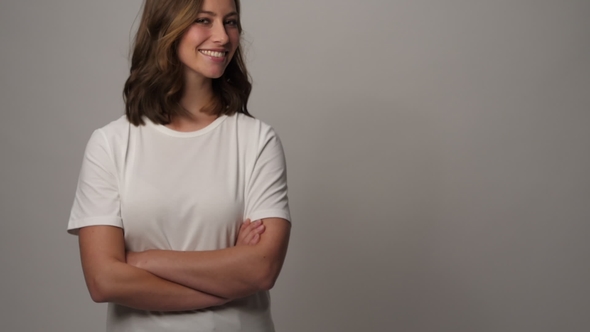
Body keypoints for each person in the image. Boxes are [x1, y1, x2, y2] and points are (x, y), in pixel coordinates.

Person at [67, 0, 291, 330]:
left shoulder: (257, 140)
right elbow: (104, 281)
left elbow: (261, 269)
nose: (223, 36)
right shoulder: (110, 144)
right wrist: (225, 287)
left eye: (230, 22)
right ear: (166, 27)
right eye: (204, 20)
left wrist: (146, 261)